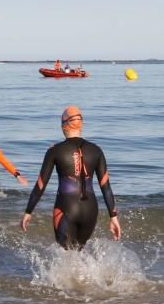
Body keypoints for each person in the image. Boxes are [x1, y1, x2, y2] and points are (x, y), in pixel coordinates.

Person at [20, 106, 120, 249]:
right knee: (78, 253)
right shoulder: (96, 150)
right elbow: (106, 187)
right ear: (82, 124)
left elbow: (41, 185)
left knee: (66, 254)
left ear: (64, 126)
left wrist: (28, 212)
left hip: (66, 207)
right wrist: (113, 217)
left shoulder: (54, 150)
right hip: (90, 210)